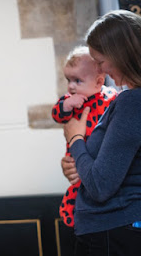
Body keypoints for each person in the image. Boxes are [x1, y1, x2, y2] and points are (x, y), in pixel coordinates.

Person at [62, 9, 141, 255]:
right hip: (112, 229)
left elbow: (99, 185)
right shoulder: (126, 100)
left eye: (100, 60)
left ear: (120, 55)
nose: (101, 70)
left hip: (115, 228)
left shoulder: (132, 102)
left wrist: (75, 138)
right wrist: (77, 164)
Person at [52, 46, 117, 227]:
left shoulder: (111, 98)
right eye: (68, 80)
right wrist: (66, 105)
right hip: (77, 159)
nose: (71, 86)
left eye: (77, 81)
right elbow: (57, 114)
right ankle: (73, 214)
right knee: (77, 187)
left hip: (98, 161)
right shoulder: (70, 101)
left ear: (98, 82)